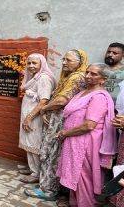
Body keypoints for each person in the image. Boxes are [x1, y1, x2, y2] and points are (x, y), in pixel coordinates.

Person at [24, 49, 87, 202]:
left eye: (68, 60)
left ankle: (48, 190)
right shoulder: (68, 77)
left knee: (51, 154)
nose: (64, 62)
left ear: (79, 63)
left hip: (60, 122)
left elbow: (62, 101)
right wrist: (46, 112)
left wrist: (44, 109)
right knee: (48, 152)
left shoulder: (77, 78)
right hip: (53, 119)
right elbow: (55, 97)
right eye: (63, 59)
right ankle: (45, 185)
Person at [55, 63, 117, 206]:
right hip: (74, 141)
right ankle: (75, 203)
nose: (88, 76)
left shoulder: (99, 97)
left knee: (83, 177)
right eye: (87, 72)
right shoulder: (83, 92)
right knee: (75, 175)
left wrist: (65, 133)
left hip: (86, 144)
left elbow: (90, 125)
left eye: (93, 74)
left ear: (103, 79)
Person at [18, 53, 56, 183]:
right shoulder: (35, 77)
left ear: (42, 64)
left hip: (35, 116)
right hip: (29, 114)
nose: (31, 66)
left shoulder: (43, 78)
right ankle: (32, 167)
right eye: (29, 63)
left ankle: (36, 174)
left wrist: (29, 117)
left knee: (34, 143)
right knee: (29, 141)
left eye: (34, 63)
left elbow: (43, 101)